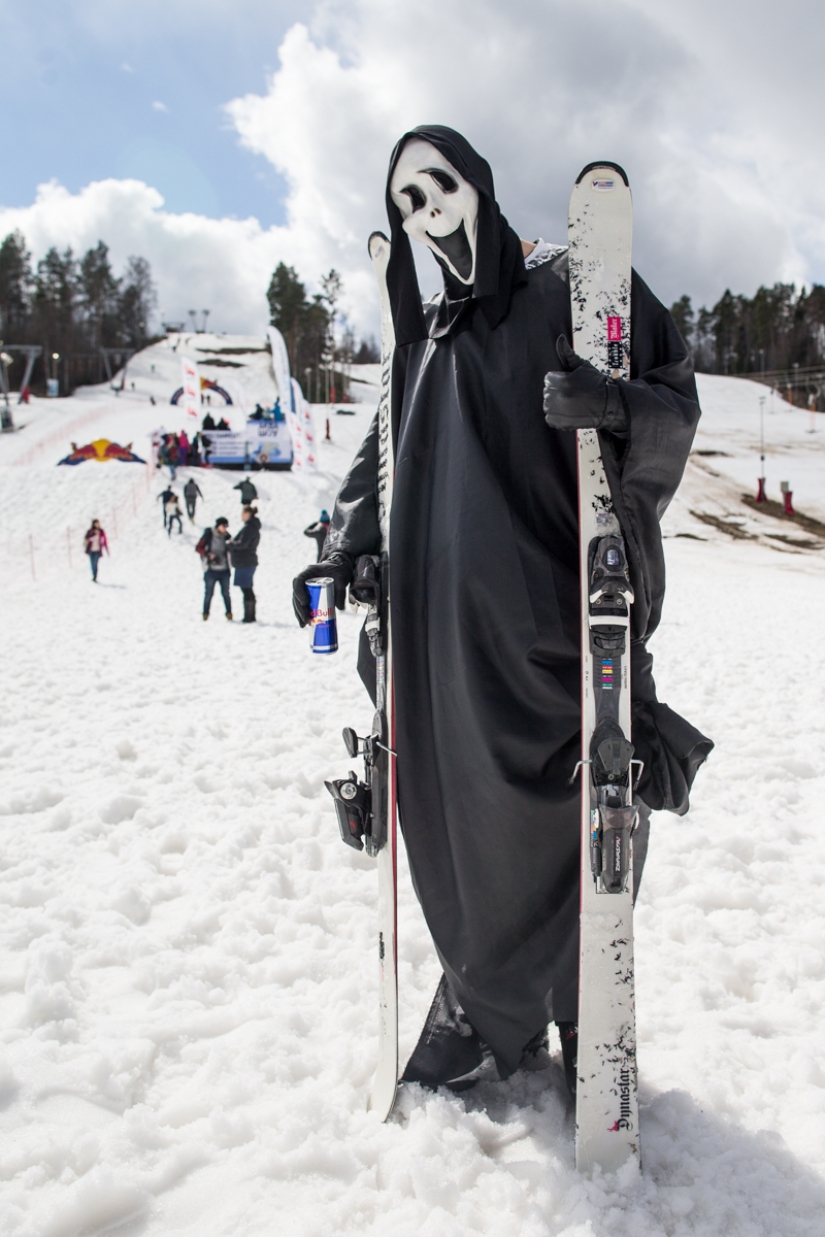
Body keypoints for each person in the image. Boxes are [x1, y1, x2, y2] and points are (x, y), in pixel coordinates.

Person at [292, 126, 713, 1095]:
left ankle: (579, 1003)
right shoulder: (426, 339)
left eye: (436, 185)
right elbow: (382, 459)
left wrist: (614, 407)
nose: (425, 209)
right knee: (461, 816)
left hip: (556, 615)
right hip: (443, 631)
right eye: (405, 201)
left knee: (579, 800)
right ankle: (483, 1005)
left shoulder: (572, 289)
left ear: (477, 184)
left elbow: (672, 399)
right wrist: (344, 547)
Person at [228, 504, 261, 623]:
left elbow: (242, 544)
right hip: (247, 561)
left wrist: (231, 544)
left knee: (246, 589)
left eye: (242, 513)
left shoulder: (249, 528)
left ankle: (249, 616)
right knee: (248, 588)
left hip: (245, 562)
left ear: (248, 514)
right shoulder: (252, 527)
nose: (241, 516)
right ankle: (250, 615)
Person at [197, 518, 233, 621]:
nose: (225, 529)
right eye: (223, 526)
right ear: (218, 525)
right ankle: (205, 614)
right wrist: (208, 555)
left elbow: (233, 547)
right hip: (211, 571)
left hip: (224, 570)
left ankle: (229, 613)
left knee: (226, 593)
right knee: (208, 594)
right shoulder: (208, 535)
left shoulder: (227, 537)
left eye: (226, 527)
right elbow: (199, 548)